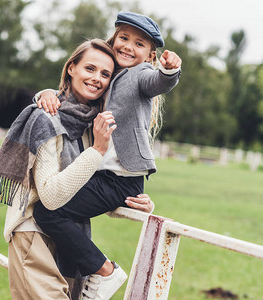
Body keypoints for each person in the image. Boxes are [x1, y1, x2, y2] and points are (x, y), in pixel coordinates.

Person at [0, 39, 154, 300]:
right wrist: (96, 150)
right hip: (34, 235)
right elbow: (51, 197)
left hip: (71, 243)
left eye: (105, 74)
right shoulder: (46, 117)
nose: (97, 78)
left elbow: (90, 188)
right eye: (89, 68)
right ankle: (107, 270)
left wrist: (133, 202)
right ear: (71, 68)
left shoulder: (93, 123)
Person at [32, 11, 182, 300]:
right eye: (123, 38)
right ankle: (90, 274)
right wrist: (45, 93)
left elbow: (159, 84)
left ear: (151, 55)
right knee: (51, 209)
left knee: (48, 212)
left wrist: (169, 70)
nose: (128, 46)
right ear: (113, 40)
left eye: (139, 44)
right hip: (102, 174)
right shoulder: (108, 73)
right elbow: (76, 91)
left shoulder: (142, 75)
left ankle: (104, 271)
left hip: (121, 179)